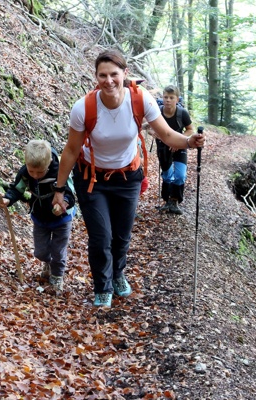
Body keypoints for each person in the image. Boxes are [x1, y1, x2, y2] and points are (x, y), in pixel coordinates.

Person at [51, 49, 205, 308]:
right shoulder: (83, 108)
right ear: (96, 77)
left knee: (121, 236)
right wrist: (58, 188)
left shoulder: (139, 99)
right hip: (92, 179)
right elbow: (71, 149)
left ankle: (118, 273)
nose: (109, 80)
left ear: (125, 74)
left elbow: (167, 135)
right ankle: (103, 287)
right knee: (101, 237)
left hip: (128, 177)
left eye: (114, 74)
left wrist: (190, 141)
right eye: (103, 75)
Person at [0, 139, 76, 293]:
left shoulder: (60, 172)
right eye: (31, 171)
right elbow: (17, 189)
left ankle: (57, 277)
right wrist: (8, 199)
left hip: (62, 219)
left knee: (58, 251)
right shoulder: (26, 172)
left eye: (40, 172)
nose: (35, 175)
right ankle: (47, 263)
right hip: (40, 217)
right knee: (40, 251)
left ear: (48, 164)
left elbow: (70, 194)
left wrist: (63, 204)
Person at [155, 85, 193, 215]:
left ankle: (175, 201)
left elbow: (190, 129)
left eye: (171, 97)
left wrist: (180, 141)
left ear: (177, 99)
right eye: (165, 97)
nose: (168, 100)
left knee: (180, 175)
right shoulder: (157, 112)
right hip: (163, 147)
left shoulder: (182, 113)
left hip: (179, 147)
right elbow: (150, 127)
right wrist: (160, 137)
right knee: (167, 175)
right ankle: (167, 201)